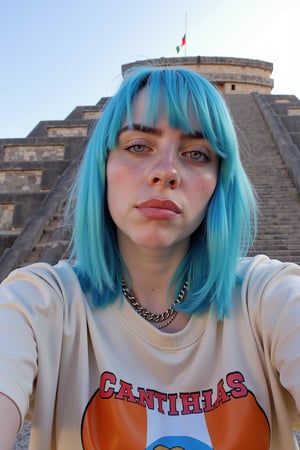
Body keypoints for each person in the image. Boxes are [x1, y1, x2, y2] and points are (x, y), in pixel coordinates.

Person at [0, 67, 299, 450]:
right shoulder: (39, 304)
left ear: (219, 181)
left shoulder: (267, 297)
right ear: (103, 164)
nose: (166, 173)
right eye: (138, 146)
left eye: (196, 153)